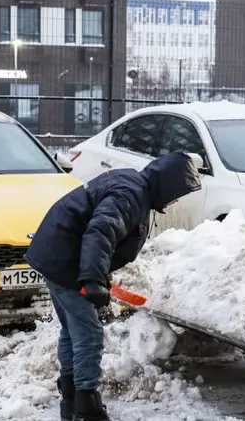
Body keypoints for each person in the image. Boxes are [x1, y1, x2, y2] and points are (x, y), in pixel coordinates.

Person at [25, 150, 203, 421]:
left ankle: (71, 395)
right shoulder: (130, 195)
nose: (177, 200)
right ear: (167, 184)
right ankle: (87, 403)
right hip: (65, 261)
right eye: (178, 192)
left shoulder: (134, 186)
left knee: (73, 330)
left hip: (57, 255)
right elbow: (101, 230)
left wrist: (99, 274)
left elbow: (103, 234)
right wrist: (93, 279)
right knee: (89, 334)